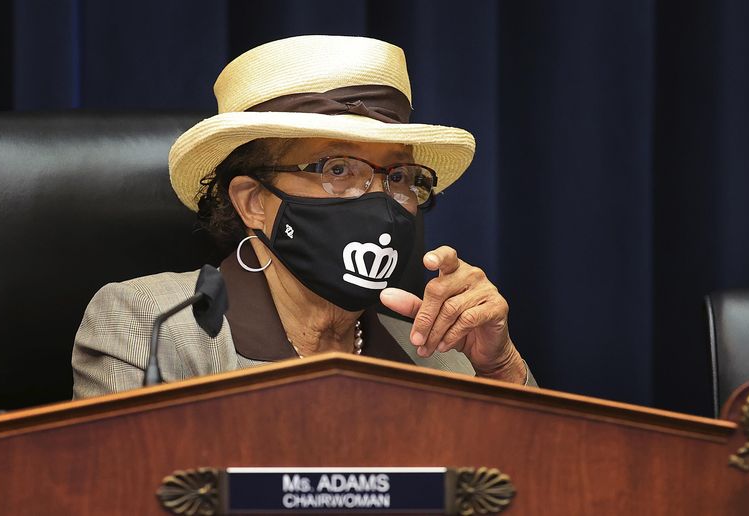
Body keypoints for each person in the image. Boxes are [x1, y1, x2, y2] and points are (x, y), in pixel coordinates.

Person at [72, 35, 535, 398]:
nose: (380, 199)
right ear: (253, 201)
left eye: (398, 175)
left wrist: (499, 369)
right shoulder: (152, 326)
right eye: (338, 169)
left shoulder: (442, 354)